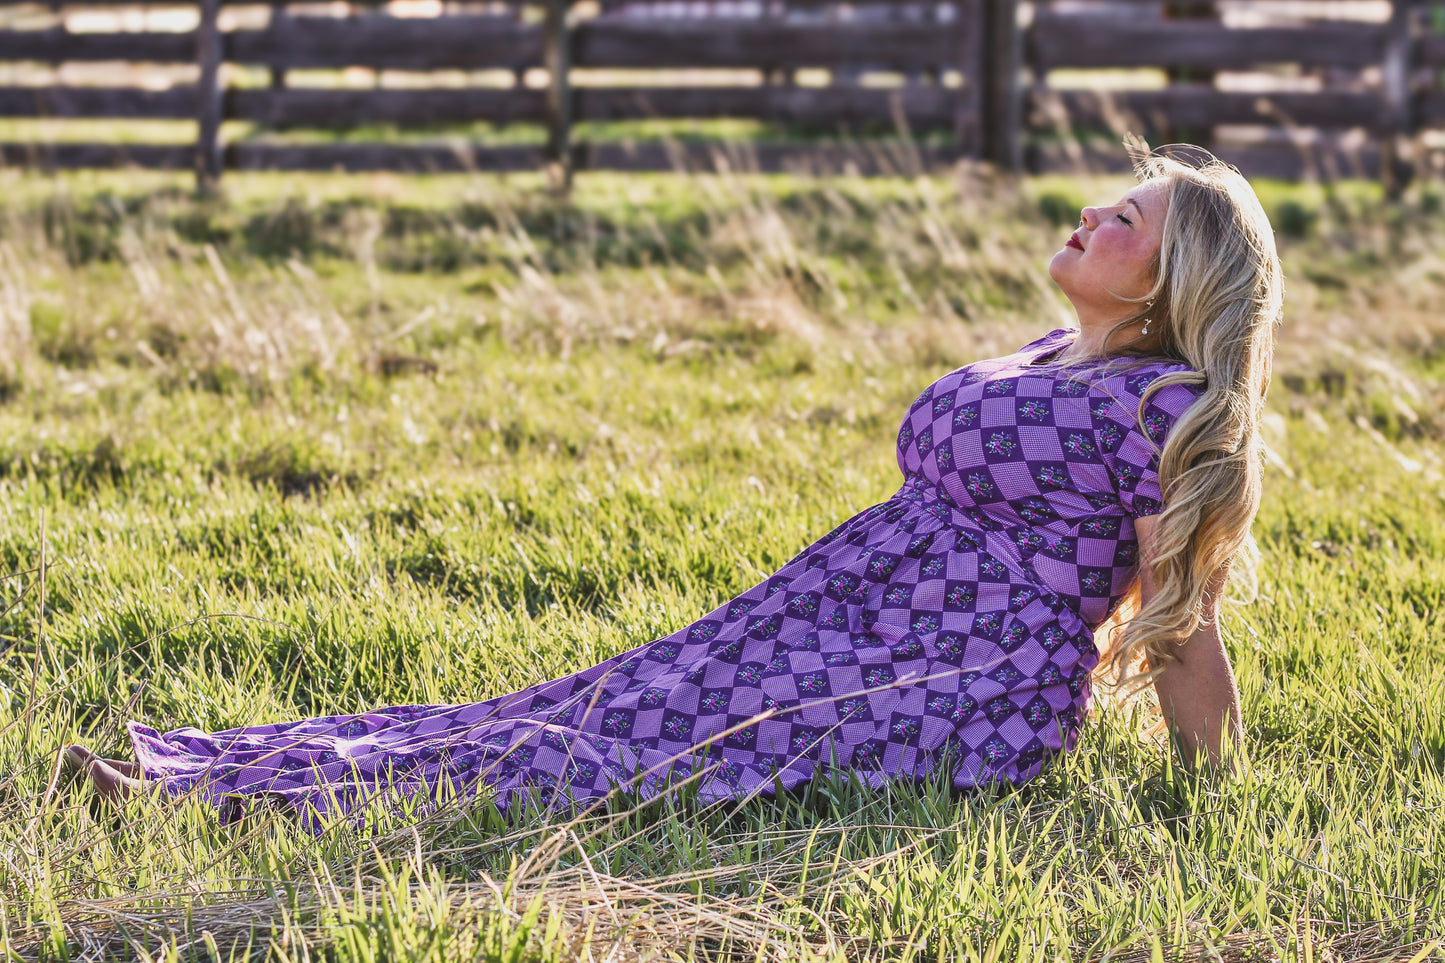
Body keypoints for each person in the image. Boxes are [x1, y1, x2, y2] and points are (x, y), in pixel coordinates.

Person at [66, 148, 1282, 827]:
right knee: (591, 704)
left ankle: (223, 808)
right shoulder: (1048, 356)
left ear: (1164, 278)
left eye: (1120, 217)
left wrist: (1211, 805)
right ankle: (221, 767)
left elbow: (1181, 619)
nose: (1085, 211)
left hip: (948, 680)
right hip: (841, 615)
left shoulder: (1159, 406)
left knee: (617, 756)